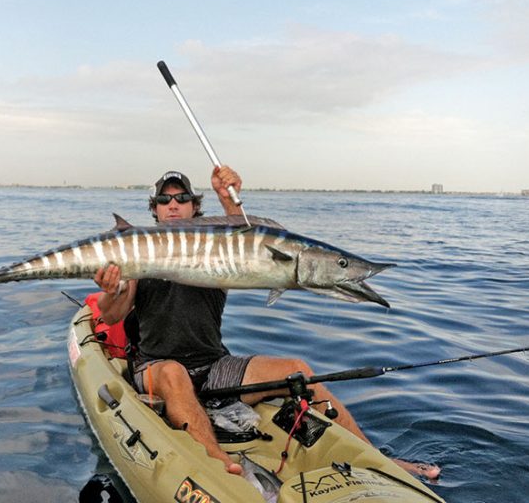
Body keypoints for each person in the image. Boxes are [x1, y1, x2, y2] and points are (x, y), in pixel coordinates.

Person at [93, 166, 440, 480]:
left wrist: (228, 199)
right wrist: (110, 289)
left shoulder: (214, 253)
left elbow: (246, 240)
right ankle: (219, 467)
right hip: (157, 367)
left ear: (194, 207)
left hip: (213, 366)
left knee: (298, 370)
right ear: (153, 209)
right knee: (174, 374)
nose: (173, 204)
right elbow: (111, 315)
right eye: (164, 199)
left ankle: (378, 458)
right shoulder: (137, 252)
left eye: (182, 198)